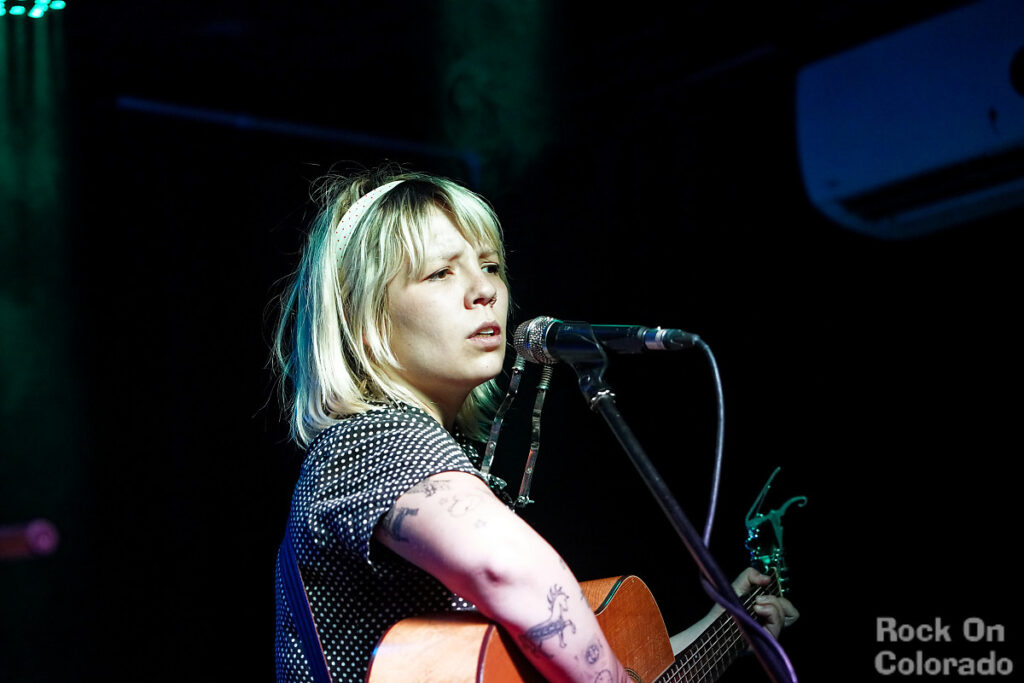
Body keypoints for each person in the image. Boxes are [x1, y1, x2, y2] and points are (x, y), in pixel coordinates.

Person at [272, 166, 798, 682]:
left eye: (490, 266)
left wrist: (726, 629)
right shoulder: (369, 439)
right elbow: (507, 568)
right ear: (366, 322)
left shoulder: (429, 449)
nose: (484, 289)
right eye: (440, 273)